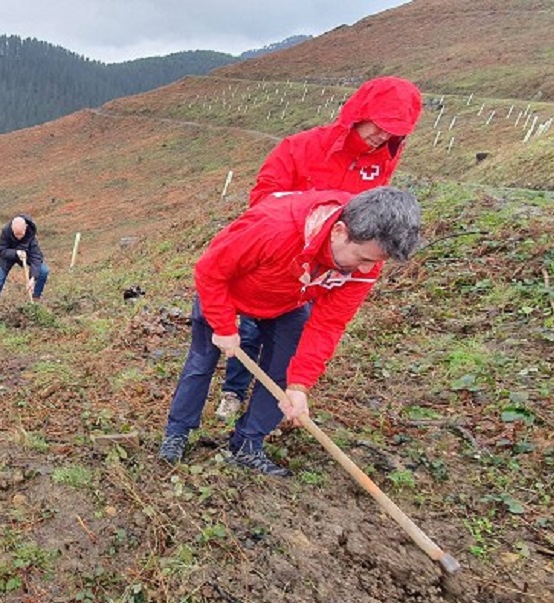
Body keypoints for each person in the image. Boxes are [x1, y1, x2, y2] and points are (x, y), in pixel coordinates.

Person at [158, 187, 421, 476]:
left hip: (288, 303)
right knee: (201, 361)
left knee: (284, 371)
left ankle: (247, 443)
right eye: (363, 259)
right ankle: (177, 431)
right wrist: (222, 325)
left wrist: (299, 385)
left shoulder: (366, 263)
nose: (367, 269)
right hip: (229, 293)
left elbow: (328, 324)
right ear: (339, 231)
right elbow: (211, 270)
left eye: (375, 263)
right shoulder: (276, 227)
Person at [217, 76, 423, 422]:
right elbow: (264, 200)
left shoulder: (383, 160)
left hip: (332, 265)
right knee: (251, 327)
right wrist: (301, 228)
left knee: (294, 335)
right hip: (285, 255)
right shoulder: (301, 147)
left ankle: (270, 405)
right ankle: (233, 391)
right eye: (379, 126)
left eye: (393, 132)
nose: (382, 137)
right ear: (360, 113)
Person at [0, 214, 49, 307]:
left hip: (26, 254)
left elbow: (36, 257)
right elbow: (2, 251)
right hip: (8, 256)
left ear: (26, 228)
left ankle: (35, 298)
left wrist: (33, 278)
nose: (19, 237)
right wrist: (16, 252)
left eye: (21, 234)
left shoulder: (31, 233)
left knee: (44, 271)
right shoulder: (5, 231)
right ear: (12, 229)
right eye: (16, 234)